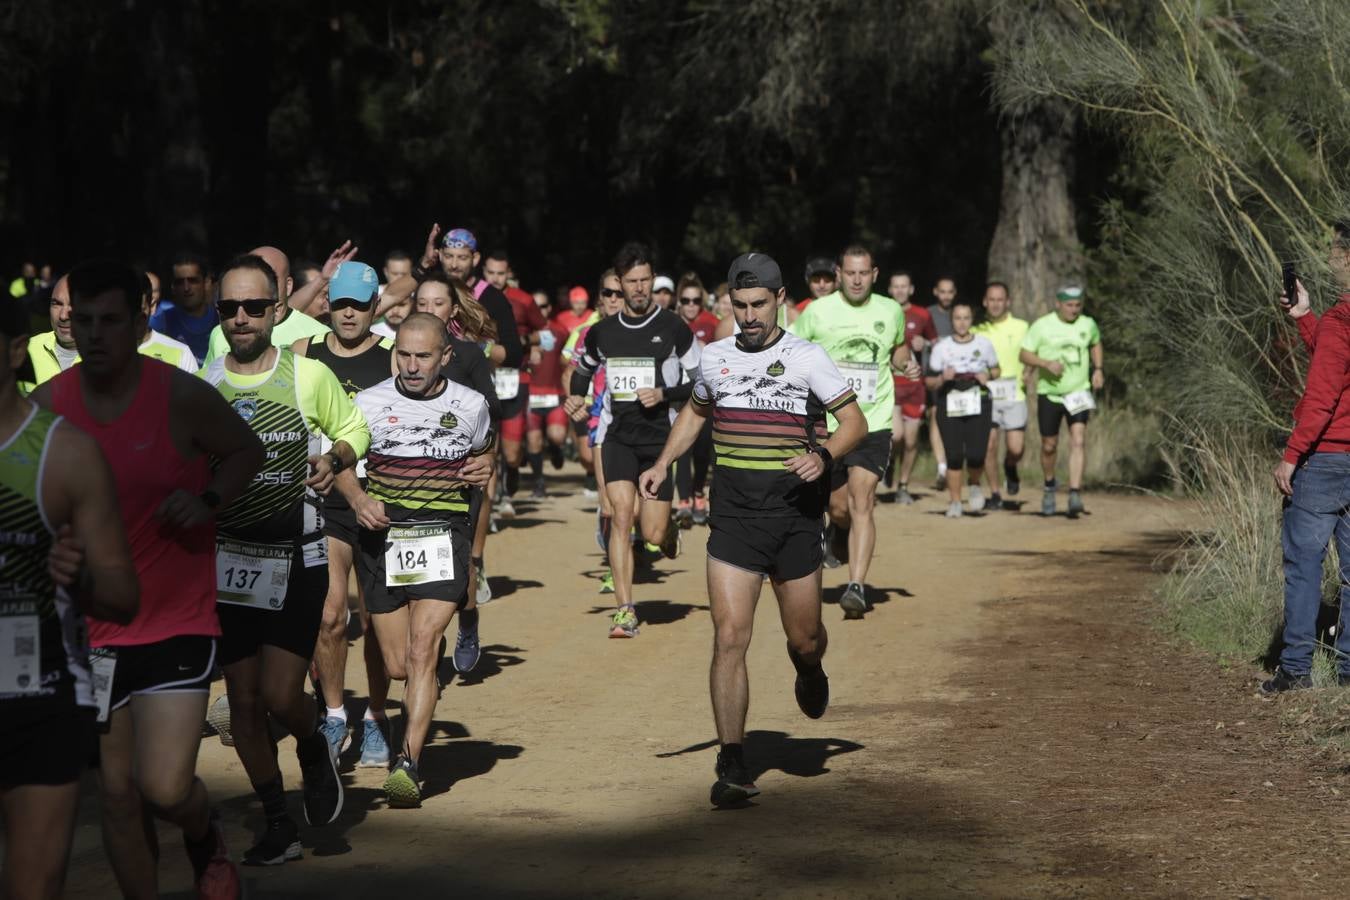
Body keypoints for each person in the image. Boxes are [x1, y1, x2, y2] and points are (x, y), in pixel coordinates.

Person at [37, 259, 263, 899]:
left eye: (111, 320)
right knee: (115, 796)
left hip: (175, 620)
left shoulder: (178, 394)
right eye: (83, 321)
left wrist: (210, 498)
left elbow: (247, 449)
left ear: (141, 321)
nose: (95, 334)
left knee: (163, 787)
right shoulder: (47, 406)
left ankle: (204, 835)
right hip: (91, 633)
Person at [638, 252, 865, 807]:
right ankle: (732, 760)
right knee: (730, 637)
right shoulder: (714, 359)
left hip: (794, 517)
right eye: (739, 306)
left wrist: (825, 455)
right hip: (735, 519)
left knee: (804, 638)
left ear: (779, 299)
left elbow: (853, 421)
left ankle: (809, 669)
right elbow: (694, 412)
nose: (749, 315)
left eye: (758, 304)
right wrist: (663, 461)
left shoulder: (808, 357)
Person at [202, 254, 370, 864]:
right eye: (230, 309)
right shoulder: (206, 382)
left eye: (253, 307)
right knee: (241, 702)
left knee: (278, 696)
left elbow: (355, 425)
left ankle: (310, 741)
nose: (241, 318)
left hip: (295, 556)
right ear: (220, 315)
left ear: (278, 310)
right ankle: (278, 820)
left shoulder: (307, 376)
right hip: (227, 562)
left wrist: (338, 456)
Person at [0, 297, 140, 900]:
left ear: (12, 351)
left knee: (35, 886)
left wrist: (80, 576)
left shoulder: (65, 452)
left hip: (39, 686)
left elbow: (121, 597)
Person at [338, 313, 494, 807]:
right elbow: (340, 462)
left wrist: (486, 468)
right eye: (403, 354)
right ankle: (423, 676)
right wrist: (359, 501)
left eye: (423, 356)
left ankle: (408, 764)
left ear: (445, 356)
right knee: (399, 665)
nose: (411, 365)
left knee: (423, 649)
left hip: (442, 536)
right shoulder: (366, 404)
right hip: (382, 541)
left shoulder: (471, 405)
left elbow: (487, 454)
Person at [292, 262, 397, 767]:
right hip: (323, 506)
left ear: (375, 306)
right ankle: (335, 714)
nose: (348, 313)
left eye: (358, 304)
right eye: (340, 303)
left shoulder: (395, 358)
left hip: (380, 508)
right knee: (331, 616)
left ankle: (376, 715)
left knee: (377, 623)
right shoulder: (302, 354)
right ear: (326, 305)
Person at [565, 243, 698, 638]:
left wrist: (664, 393)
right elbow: (583, 370)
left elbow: (702, 381)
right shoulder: (602, 333)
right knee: (620, 516)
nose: (640, 289)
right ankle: (625, 608)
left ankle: (667, 531)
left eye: (646, 281)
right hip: (618, 439)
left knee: (653, 533)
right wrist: (576, 397)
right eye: (632, 282)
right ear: (619, 284)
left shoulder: (673, 327)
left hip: (660, 441)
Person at [788, 245, 915, 618]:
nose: (857, 280)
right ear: (840, 275)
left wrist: (906, 362)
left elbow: (897, 349)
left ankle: (856, 586)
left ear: (874, 274)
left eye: (864, 273)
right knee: (839, 506)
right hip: (830, 426)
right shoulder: (818, 313)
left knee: (863, 498)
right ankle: (839, 531)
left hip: (873, 421)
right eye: (850, 273)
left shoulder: (890, 310)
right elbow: (793, 351)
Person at [1265, 225, 1350, 693]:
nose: (1330, 257)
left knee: (1304, 563)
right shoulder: (1336, 323)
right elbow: (1338, 363)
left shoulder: (1343, 320)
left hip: (1327, 458)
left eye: (1335, 249)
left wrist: (1292, 456)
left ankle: (1296, 668)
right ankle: (1346, 670)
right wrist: (1305, 317)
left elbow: (1322, 392)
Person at [413, 273, 501, 670]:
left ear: (452, 311)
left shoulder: (469, 356)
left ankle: (467, 621)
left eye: (438, 303)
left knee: (460, 570)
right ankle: (425, 641)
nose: (429, 309)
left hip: (461, 478)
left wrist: (483, 458)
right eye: (423, 302)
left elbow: (491, 414)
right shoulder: (398, 354)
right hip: (408, 477)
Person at [1019, 285, 1103, 517]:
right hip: (1050, 394)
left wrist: (1098, 369)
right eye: (1069, 305)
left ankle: (1075, 493)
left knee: (1078, 440)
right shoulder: (1042, 325)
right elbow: (1024, 354)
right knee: (1049, 445)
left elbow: (1095, 342)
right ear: (1058, 303)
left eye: (1077, 306)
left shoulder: (1087, 324)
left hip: (1078, 392)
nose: (1073, 310)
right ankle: (1049, 487)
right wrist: (1045, 364)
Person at [926, 301, 1000, 517]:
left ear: (971, 320)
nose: (962, 322)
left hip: (979, 400)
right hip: (949, 401)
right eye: (957, 318)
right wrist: (941, 377)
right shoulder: (942, 347)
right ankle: (955, 501)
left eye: (966, 318)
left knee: (977, 453)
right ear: (952, 321)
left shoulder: (984, 344)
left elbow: (996, 369)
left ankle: (975, 483)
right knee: (954, 454)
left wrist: (989, 375)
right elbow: (929, 382)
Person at [202, 246, 331, 366]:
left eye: (270, 276)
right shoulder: (220, 334)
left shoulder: (319, 335)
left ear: (288, 286)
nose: (240, 320)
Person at [972, 282, 1030, 509]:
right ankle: (995, 493)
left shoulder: (1022, 327)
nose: (995, 304)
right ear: (985, 302)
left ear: (1007, 302)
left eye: (1000, 300)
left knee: (1016, 448)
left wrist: (1029, 371)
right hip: (988, 394)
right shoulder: (977, 330)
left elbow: (1032, 352)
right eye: (991, 300)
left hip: (1014, 393)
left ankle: (1010, 466)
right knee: (989, 444)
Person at [887, 270, 937, 503]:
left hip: (915, 386)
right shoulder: (882, 312)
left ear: (911, 289)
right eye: (895, 286)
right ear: (889, 290)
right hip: (890, 384)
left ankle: (903, 484)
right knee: (896, 436)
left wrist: (925, 344)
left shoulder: (922, 314)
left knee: (911, 440)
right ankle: (888, 463)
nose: (899, 290)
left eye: (903, 286)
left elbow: (937, 345)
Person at [673, 272, 719, 526]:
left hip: (706, 396)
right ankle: (683, 502)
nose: (691, 305)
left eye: (695, 300)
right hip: (678, 396)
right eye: (686, 300)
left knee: (702, 450)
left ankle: (699, 492)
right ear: (679, 301)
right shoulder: (670, 323)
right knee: (682, 448)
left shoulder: (712, 323)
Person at [148, 253, 217, 363]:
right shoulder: (160, 322)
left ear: (206, 282)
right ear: (173, 287)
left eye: (193, 280)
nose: (186, 288)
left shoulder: (222, 319)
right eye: (179, 282)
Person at [25, 275, 76, 387]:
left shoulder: (112, 358)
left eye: (72, 305)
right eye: (56, 304)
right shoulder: (27, 350)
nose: (63, 316)